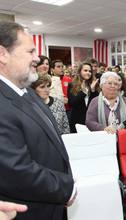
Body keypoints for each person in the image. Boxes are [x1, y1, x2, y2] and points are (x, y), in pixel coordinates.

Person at [0, 21, 75, 220]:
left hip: (51, 206)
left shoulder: (27, 91)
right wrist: (67, 187)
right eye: (30, 51)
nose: (37, 58)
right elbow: (16, 170)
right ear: (2, 54)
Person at [68, 62, 99, 133]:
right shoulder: (72, 84)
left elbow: (96, 104)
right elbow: (72, 103)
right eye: (85, 70)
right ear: (80, 71)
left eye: (90, 71)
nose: (88, 73)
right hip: (77, 121)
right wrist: (84, 92)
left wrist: (93, 90)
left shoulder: (94, 84)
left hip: (91, 121)